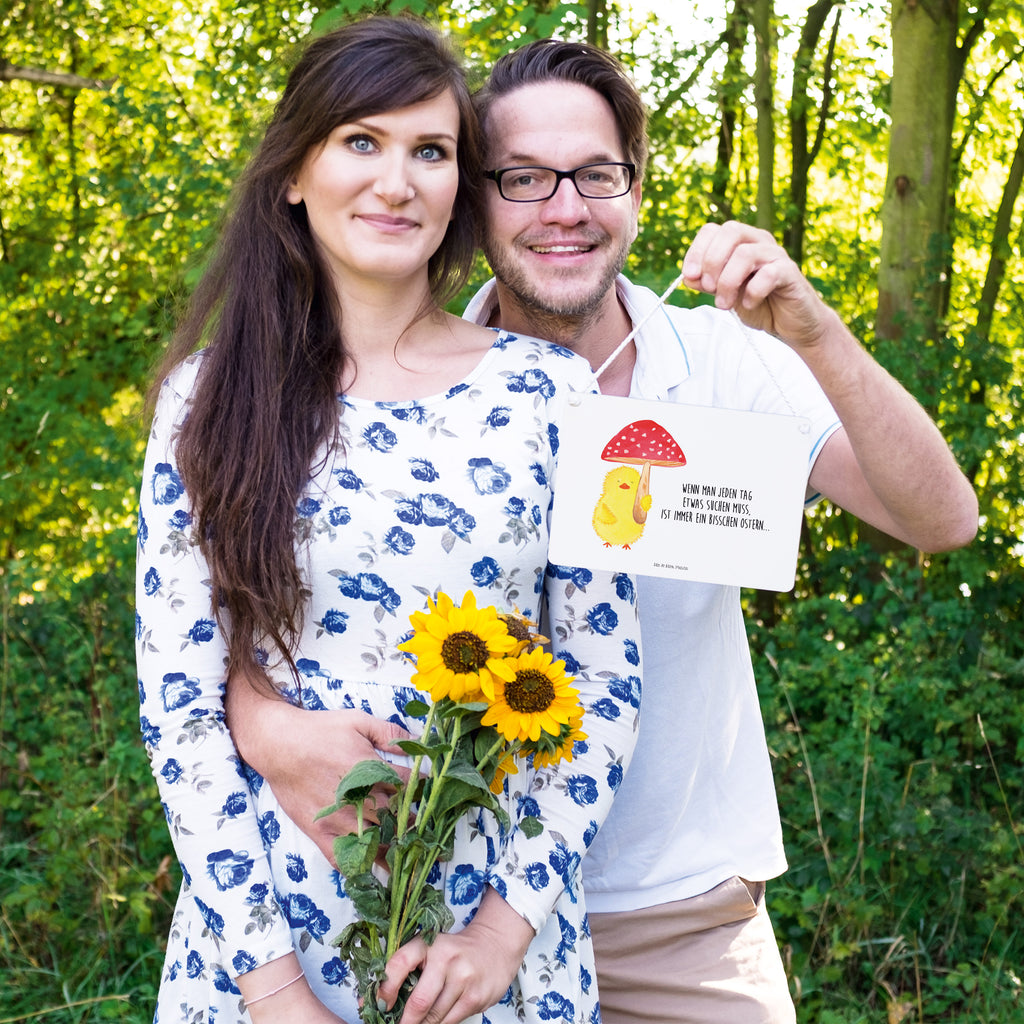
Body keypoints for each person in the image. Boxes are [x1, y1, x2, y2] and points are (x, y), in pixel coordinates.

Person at [227, 36, 979, 1024]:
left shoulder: (719, 356)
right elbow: (281, 617)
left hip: (677, 916)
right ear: (472, 196)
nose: (566, 208)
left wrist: (808, 327)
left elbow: (941, 519)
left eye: (595, 174)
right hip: (456, 904)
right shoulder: (407, 382)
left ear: (635, 186)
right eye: (525, 178)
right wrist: (257, 715)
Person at [136, 19, 641, 1024]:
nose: (397, 181)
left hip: (487, 946)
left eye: (432, 152)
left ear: (460, 186)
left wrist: (498, 935)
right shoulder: (208, 399)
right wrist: (276, 994)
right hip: (265, 936)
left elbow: (604, 680)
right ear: (293, 172)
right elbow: (180, 709)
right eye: (361, 142)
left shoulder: (554, 395)